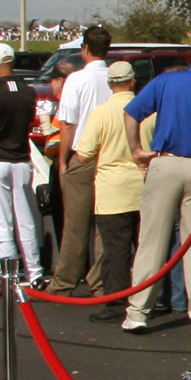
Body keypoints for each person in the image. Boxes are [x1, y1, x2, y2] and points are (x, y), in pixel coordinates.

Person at [121, 37, 191, 335]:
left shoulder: (167, 82)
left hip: (165, 162)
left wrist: (136, 151)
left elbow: (131, 113)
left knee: (151, 241)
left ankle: (138, 311)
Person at [72, 60, 147, 321]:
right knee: (147, 248)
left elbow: (84, 154)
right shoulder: (148, 112)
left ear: (109, 84)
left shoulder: (101, 113)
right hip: (143, 185)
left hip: (112, 189)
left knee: (115, 251)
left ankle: (116, 303)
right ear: (133, 81)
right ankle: (152, 298)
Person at [47, 24, 113, 295]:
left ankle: (64, 280)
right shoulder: (113, 77)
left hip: (82, 155)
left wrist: (63, 160)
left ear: (85, 48)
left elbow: (68, 124)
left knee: (75, 224)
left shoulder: (76, 79)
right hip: (109, 154)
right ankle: (99, 281)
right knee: (102, 224)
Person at [0, 42, 44, 286]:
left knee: (1, 220)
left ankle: (9, 274)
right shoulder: (28, 91)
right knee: (26, 220)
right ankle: (34, 272)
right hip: (21, 159)